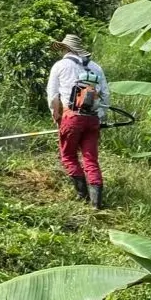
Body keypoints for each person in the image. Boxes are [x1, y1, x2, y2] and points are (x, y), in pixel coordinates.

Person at [46, 33, 110, 209]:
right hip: (92, 119)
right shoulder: (96, 67)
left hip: (71, 116)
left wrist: (56, 115)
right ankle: (96, 203)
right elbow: (105, 95)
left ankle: (82, 195)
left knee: (68, 155)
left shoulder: (60, 66)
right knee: (90, 158)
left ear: (66, 49)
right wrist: (101, 115)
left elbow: (53, 96)